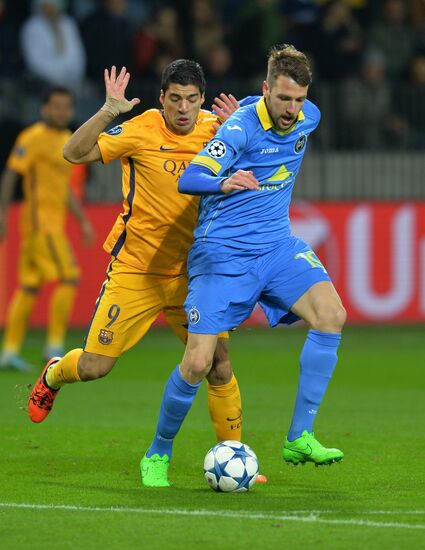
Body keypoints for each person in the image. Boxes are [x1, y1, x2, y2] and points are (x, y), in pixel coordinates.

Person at [27, 61, 246, 488]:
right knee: (94, 367)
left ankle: (236, 456)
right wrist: (109, 110)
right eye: (175, 99)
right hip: (137, 271)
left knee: (218, 365)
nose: (183, 109)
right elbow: (72, 153)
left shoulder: (217, 130)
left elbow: (260, 170)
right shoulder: (140, 129)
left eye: (192, 99)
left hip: (194, 275)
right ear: (162, 98)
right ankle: (55, 372)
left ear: (202, 99)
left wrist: (243, 130)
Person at [143, 44, 346, 487]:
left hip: (275, 248)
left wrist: (259, 108)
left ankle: (300, 435)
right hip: (222, 255)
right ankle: (158, 451)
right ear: (265, 89)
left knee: (332, 315)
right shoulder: (237, 130)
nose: (293, 109)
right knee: (197, 363)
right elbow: (189, 178)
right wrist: (224, 180)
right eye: (283, 98)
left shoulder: (309, 117)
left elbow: (285, 114)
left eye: (299, 99)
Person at [0, 86, 94, 371]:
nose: (61, 111)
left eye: (66, 106)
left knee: (29, 286)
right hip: (42, 223)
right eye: (55, 106)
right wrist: (3, 212)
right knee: (70, 277)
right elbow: (11, 174)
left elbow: (64, 189)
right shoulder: (33, 137)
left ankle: (9, 352)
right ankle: (53, 345)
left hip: (52, 223)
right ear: (44, 109)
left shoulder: (67, 139)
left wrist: (82, 220)